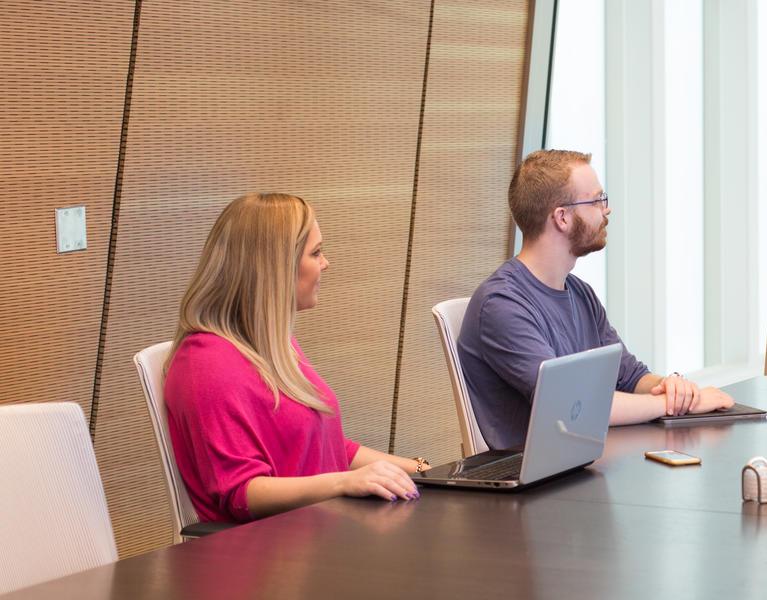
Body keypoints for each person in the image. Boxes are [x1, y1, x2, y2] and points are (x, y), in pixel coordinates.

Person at [164, 193, 427, 524]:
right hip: (268, 554)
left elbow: (327, 447)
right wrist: (344, 483)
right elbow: (241, 494)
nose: (325, 263)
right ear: (275, 267)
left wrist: (424, 471)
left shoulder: (270, 342)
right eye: (315, 253)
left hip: (320, 532)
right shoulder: (207, 365)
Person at [458, 149, 734, 450]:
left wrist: (672, 388)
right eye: (597, 200)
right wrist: (670, 404)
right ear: (562, 218)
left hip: (581, 464)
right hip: (536, 486)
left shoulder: (580, 293)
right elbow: (571, 404)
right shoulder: (500, 305)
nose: (607, 209)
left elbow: (627, 376)